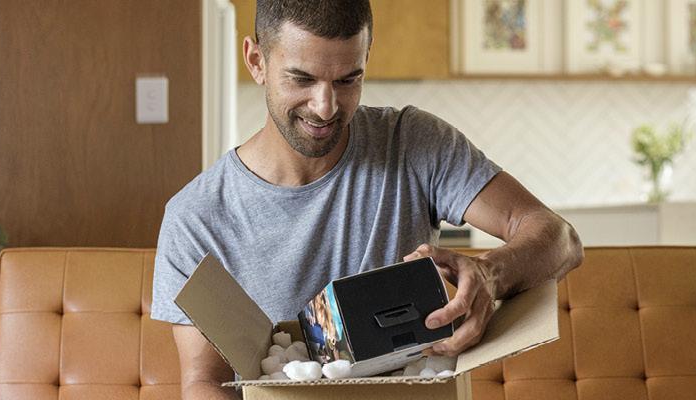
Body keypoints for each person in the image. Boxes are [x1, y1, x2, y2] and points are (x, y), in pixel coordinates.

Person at [147, 0, 585, 398]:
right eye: (302, 79)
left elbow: (561, 240)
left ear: (365, 61)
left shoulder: (413, 143)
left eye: (347, 79)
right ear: (256, 61)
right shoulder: (195, 217)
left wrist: (491, 274)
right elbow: (205, 382)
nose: (325, 107)